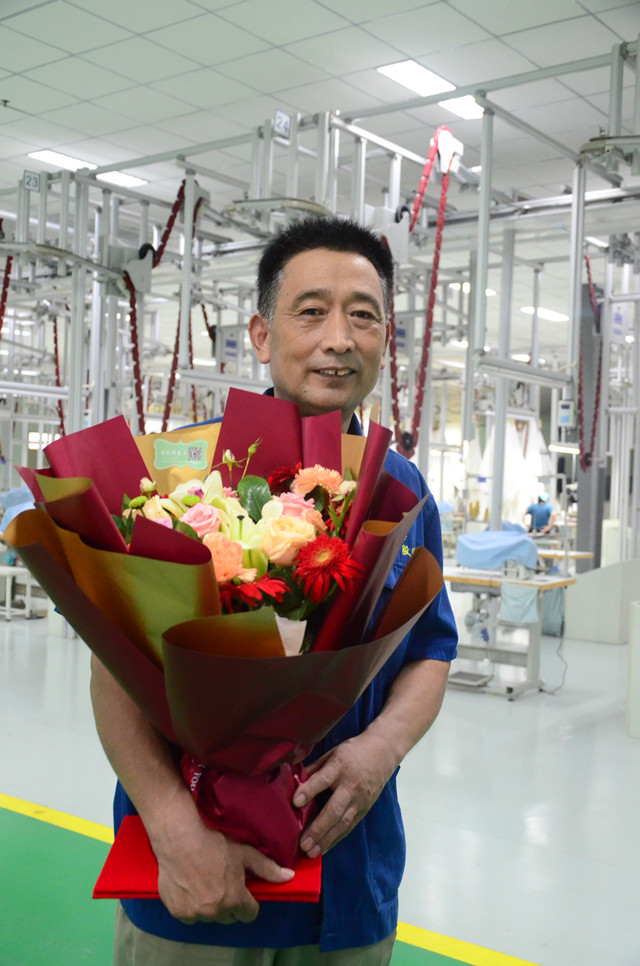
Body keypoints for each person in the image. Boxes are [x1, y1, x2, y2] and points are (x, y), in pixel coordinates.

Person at [90, 217, 458, 965]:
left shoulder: (404, 490)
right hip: (197, 875)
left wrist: (379, 752)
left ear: (386, 339)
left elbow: (430, 649)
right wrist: (170, 824)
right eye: (312, 311)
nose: (339, 338)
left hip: (346, 874)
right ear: (261, 334)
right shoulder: (183, 477)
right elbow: (114, 670)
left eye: (364, 315)